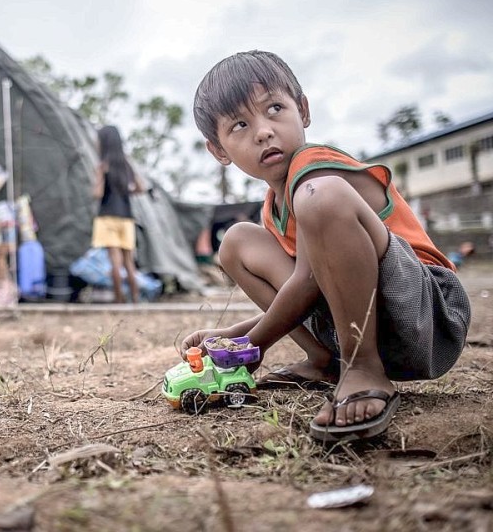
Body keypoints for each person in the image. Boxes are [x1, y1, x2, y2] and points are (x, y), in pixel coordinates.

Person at [181, 50, 471, 441]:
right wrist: (237, 334)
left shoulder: (317, 171)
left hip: (425, 312)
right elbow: (313, 286)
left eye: (275, 108)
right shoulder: (273, 210)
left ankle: (363, 365)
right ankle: (323, 359)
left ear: (302, 110)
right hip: (354, 318)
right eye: (239, 125)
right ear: (218, 151)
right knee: (236, 241)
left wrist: (251, 344)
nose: (263, 131)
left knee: (320, 196)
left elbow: (307, 279)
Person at [91, 125, 144, 303]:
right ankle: (135, 298)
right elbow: (140, 187)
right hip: (126, 218)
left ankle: (119, 298)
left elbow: (97, 194)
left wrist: (99, 175)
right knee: (128, 261)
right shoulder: (126, 164)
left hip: (107, 217)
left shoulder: (103, 165)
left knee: (114, 260)